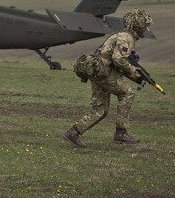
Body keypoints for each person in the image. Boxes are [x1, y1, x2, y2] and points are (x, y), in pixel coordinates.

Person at [64, 8, 153, 148]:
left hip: (98, 72)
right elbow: (119, 60)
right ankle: (121, 133)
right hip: (104, 73)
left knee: (100, 110)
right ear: (136, 26)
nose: (146, 29)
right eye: (144, 26)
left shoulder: (122, 35)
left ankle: (73, 133)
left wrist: (136, 77)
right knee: (127, 94)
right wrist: (132, 70)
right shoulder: (126, 38)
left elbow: (116, 62)